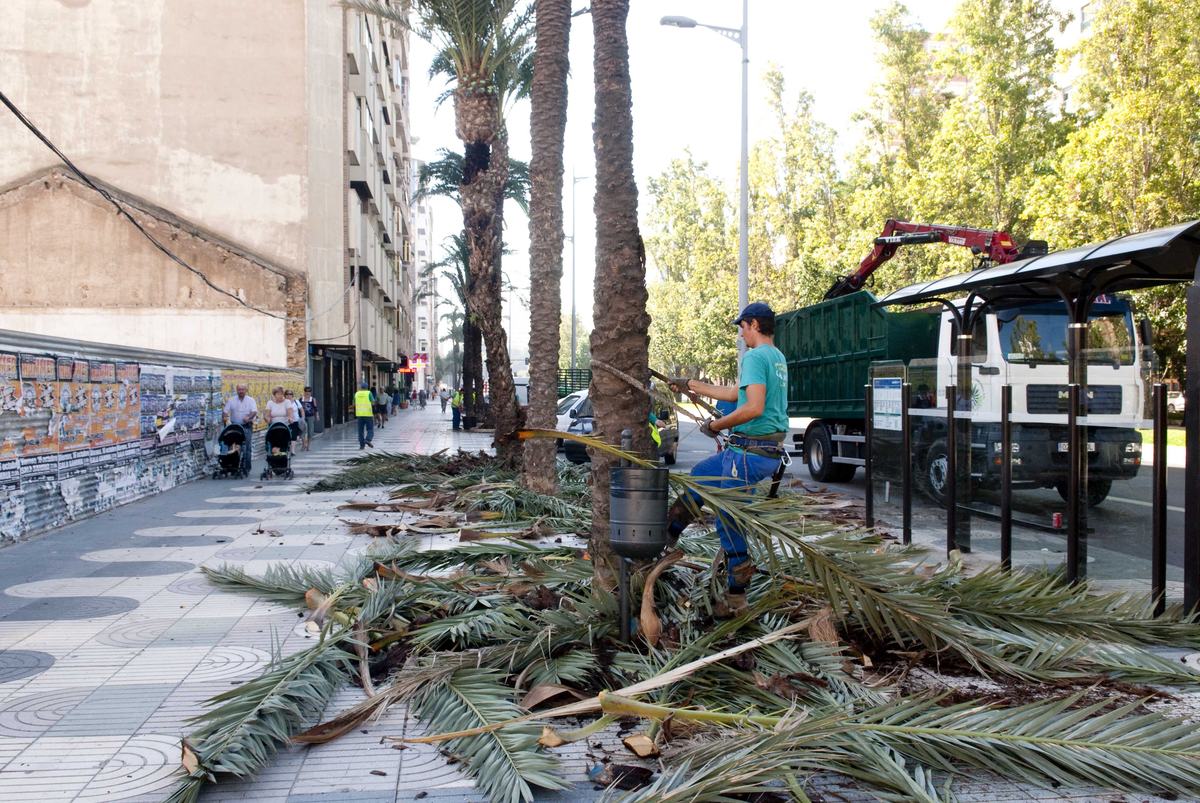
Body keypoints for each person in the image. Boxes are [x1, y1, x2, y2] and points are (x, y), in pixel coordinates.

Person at [667, 302, 790, 618]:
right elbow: (737, 394)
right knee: (699, 477)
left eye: (742, 327)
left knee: (727, 519)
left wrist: (715, 425)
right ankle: (666, 541)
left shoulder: (755, 356)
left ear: (752, 324)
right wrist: (690, 385)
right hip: (756, 452)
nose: (741, 333)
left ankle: (737, 597)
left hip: (748, 453)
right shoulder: (776, 358)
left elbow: (753, 409)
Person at [222, 384, 258, 475]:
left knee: (247, 448)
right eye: (239, 389)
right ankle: (234, 466)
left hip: (246, 426)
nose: (241, 391)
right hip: (235, 426)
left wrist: (248, 417)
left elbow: (254, 411)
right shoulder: (231, 400)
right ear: (236, 390)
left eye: (242, 389)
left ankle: (246, 468)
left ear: (246, 390)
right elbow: (225, 412)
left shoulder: (251, 400)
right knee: (234, 447)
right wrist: (226, 419)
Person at [352, 380, 375, 449]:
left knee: (360, 431)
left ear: (361, 387)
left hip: (359, 415)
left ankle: (362, 446)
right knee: (370, 429)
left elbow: (353, 404)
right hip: (368, 414)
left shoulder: (356, 394)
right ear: (367, 387)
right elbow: (373, 403)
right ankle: (368, 439)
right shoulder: (369, 393)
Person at [300, 386, 318, 451]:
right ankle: (303, 444)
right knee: (302, 431)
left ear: (311, 392)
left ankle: (308, 446)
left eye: (309, 391)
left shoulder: (313, 399)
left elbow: (315, 408)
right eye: (306, 391)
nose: (307, 393)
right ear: (304, 392)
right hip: (302, 417)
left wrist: (317, 415)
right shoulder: (300, 399)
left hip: (311, 416)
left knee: (310, 432)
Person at [284, 389, 303, 453]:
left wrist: (302, 418)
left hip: (295, 421)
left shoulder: (296, 402)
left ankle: (293, 450)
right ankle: (287, 447)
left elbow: (301, 410)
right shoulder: (283, 402)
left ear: (292, 395)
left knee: (294, 435)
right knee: (287, 435)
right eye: (287, 394)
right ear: (285, 395)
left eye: (290, 394)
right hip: (286, 422)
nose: (289, 395)